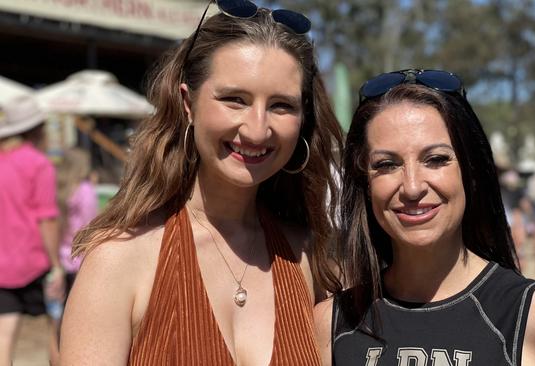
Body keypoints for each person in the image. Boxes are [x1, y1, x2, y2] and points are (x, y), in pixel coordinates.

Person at [59, 0, 342, 364]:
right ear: (187, 102)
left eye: (281, 106)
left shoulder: (309, 256)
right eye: (234, 99)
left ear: (303, 119)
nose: (257, 129)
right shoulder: (121, 260)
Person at [314, 69, 535, 365]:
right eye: (387, 164)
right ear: (365, 182)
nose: (413, 187)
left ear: (470, 171)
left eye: (436, 159)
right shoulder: (329, 326)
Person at [0, 95, 65, 366]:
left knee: (4, 338)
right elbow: (46, 219)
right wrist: (56, 265)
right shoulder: (38, 164)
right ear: (37, 128)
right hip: (36, 261)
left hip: (2, 265)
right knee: (57, 332)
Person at [47, 147, 98, 364]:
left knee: (55, 325)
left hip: (58, 261)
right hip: (79, 261)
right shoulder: (85, 190)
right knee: (76, 324)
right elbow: (90, 225)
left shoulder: (58, 189)